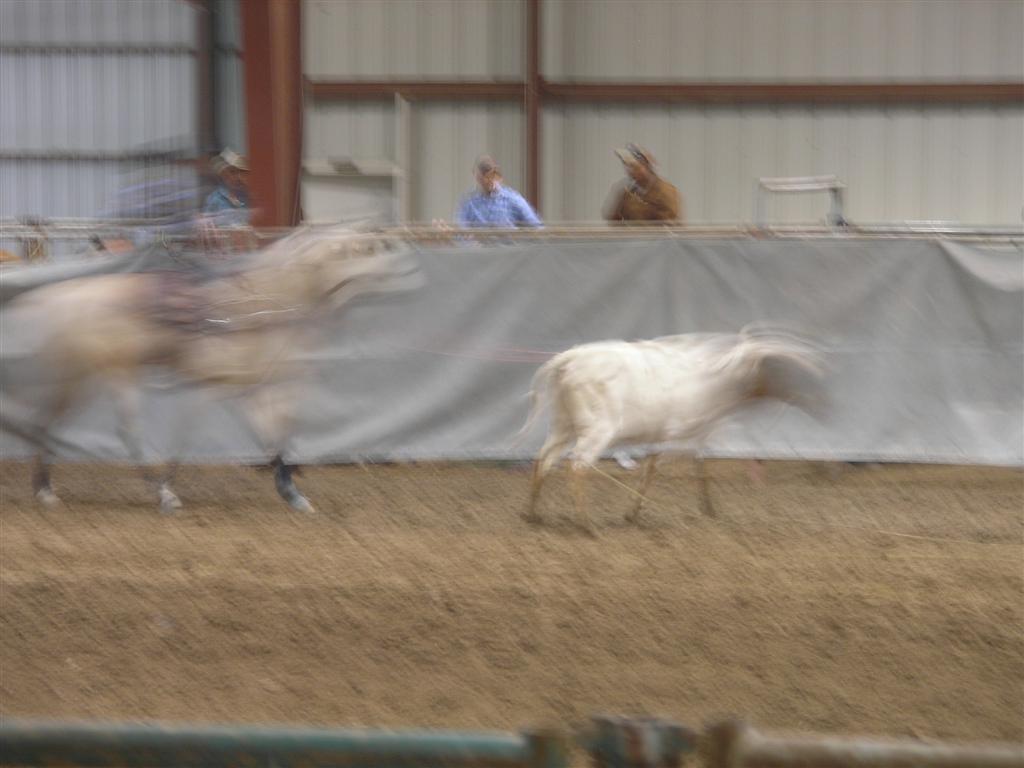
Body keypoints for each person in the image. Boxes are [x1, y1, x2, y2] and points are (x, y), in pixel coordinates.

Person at [453, 155, 542, 229]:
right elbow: (460, 231)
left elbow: (536, 226)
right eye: (484, 178)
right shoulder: (469, 204)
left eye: (491, 176)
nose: (488, 181)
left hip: (508, 249)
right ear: (477, 176)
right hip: (479, 249)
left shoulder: (513, 200)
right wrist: (470, 245)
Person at [602, 143, 682, 225]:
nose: (629, 171)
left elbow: (670, 228)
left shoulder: (666, 192)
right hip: (632, 237)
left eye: (633, 166)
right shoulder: (626, 192)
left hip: (656, 237)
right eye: (626, 165)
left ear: (645, 166)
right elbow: (614, 220)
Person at [203, 148, 251, 227]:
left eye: (240, 172)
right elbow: (207, 228)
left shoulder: (248, 196)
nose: (237, 177)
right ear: (222, 174)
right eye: (232, 172)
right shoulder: (215, 199)